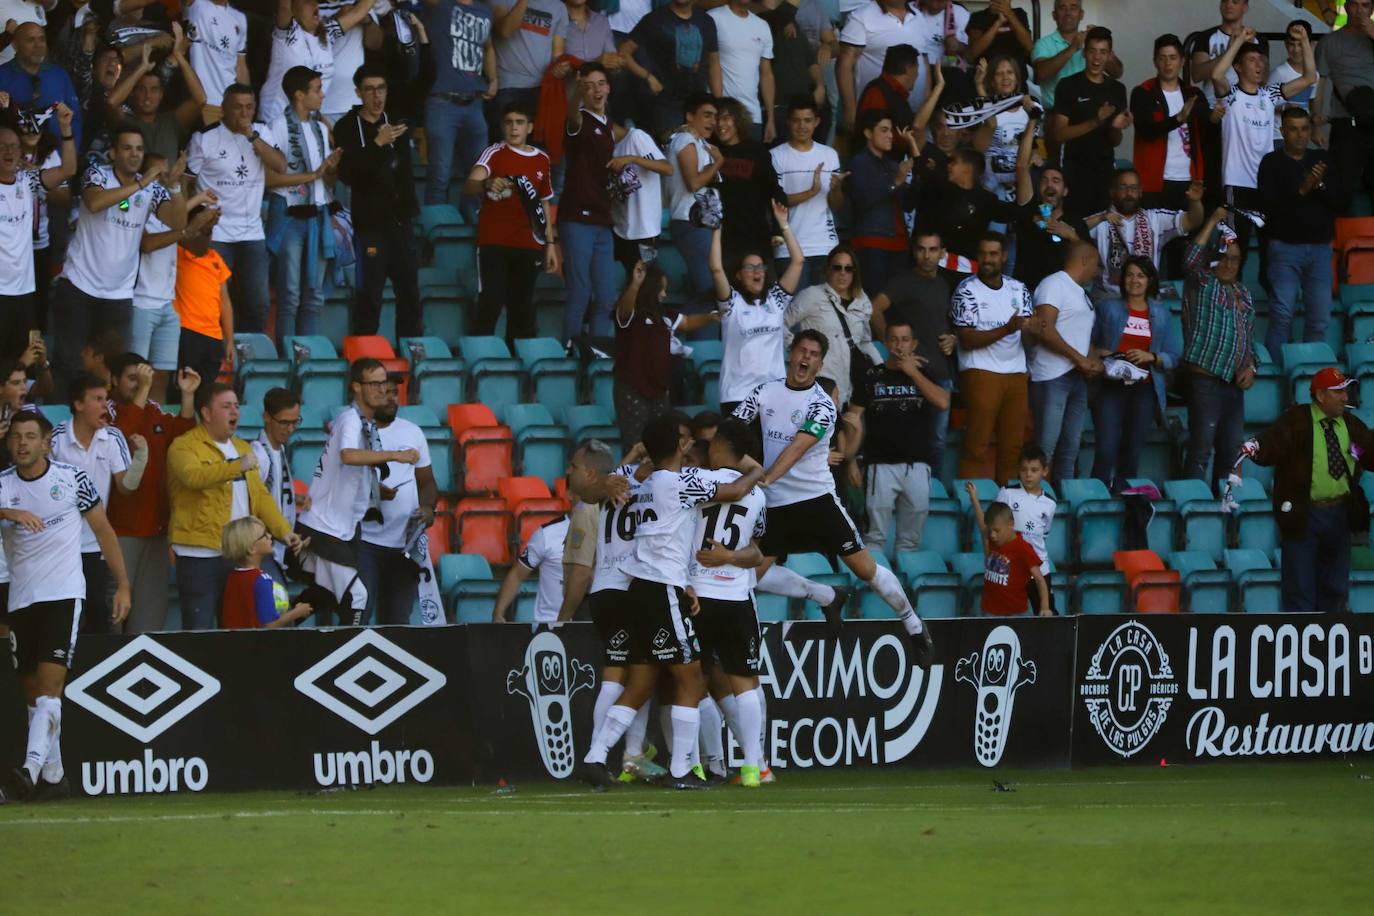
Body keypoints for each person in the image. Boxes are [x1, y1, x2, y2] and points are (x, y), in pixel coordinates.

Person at [577, 413, 763, 789]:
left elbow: (595, 490)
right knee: (692, 678)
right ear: (679, 446)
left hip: (641, 588)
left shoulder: (637, 481)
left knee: (643, 678)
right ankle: (681, 770)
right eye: (686, 441)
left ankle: (596, 757)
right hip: (661, 588)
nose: (692, 446)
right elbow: (735, 491)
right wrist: (758, 471)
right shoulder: (679, 484)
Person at [733, 331, 933, 661]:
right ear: (791, 354)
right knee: (749, 578)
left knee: (866, 570)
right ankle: (826, 596)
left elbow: (797, 448)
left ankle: (912, 624)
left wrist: (763, 476)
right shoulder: (763, 392)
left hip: (817, 502)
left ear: (819, 363)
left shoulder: (822, 404)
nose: (805, 358)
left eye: (813, 354)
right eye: (801, 351)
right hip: (776, 505)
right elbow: (733, 431)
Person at [0, 411, 129, 803]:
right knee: (32, 692)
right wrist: (9, 513)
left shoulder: (72, 479)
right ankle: (55, 777)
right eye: (16, 437)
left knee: (50, 688)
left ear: (45, 443)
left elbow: (104, 530)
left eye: (30, 436)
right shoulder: (4, 486)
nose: (22, 443)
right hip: (21, 597)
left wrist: (122, 584)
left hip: (64, 593)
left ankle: (30, 768)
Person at [557, 440, 664, 782]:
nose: (568, 472)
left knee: (617, 675)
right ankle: (613, 755)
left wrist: (629, 460)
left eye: (573, 467)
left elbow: (592, 490)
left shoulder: (609, 486)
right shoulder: (653, 486)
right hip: (632, 588)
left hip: (604, 591)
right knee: (643, 675)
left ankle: (611, 756)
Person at [53, 128, 186, 390]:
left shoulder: (151, 188)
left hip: (118, 294)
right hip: (79, 286)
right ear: (113, 152)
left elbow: (178, 222)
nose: (134, 153)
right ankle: (62, 424)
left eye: (138, 148)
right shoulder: (98, 174)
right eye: (126, 147)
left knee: (112, 369)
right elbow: (94, 203)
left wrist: (175, 186)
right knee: (69, 364)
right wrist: (139, 184)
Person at [296, 359, 420, 627]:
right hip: (324, 528)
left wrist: (376, 491)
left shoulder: (365, 424)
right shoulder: (350, 420)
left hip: (341, 531)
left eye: (384, 384)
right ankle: (350, 659)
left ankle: (274, 629)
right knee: (357, 598)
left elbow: (351, 471)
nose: (382, 390)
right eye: (374, 383)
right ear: (356, 387)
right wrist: (395, 455)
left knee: (325, 596)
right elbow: (349, 456)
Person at [168, 383, 300, 629]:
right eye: (226, 406)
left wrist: (284, 531)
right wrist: (235, 467)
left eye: (237, 406)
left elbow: (260, 497)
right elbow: (193, 477)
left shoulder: (242, 447)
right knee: (199, 631)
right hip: (200, 555)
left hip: (239, 554)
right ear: (206, 413)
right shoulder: (183, 446)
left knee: (242, 625)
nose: (235, 413)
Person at [1242, 368, 1374, 613]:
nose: (1346, 397)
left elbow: (1370, 450)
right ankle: (1302, 644)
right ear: (1321, 395)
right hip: (1304, 514)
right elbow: (1274, 440)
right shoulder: (1297, 420)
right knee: (1299, 588)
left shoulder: (1350, 424)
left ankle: (1331, 643)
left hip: (1340, 513)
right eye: (1338, 392)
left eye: (1345, 391)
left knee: (1336, 588)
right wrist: (1256, 446)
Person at [685, 418, 768, 787]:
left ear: (724, 447)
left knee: (689, 681)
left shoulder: (701, 483)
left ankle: (692, 766)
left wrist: (725, 557)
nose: (709, 446)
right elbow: (757, 551)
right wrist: (734, 557)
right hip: (736, 598)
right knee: (744, 682)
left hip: (698, 596)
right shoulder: (759, 494)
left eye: (715, 441)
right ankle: (753, 769)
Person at [49, 373, 145, 636]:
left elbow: (125, 487)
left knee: (96, 618)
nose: (106, 406)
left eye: (106, 399)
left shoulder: (112, 437)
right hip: (59, 546)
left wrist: (140, 461)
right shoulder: (55, 439)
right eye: (98, 399)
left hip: (96, 546)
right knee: (63, 620)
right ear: (79, 405)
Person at [108, 357, 199, 634]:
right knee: (112, 621)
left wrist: (187, 395)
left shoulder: (154, 410)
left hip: (156, 529)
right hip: (119, 530)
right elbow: (122, 435)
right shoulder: (107, 410)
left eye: (143, 378)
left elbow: (183, 436)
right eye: (132, 378)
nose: (139, 384)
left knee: (148, 623)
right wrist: (144, 389)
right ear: (114, 380)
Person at [184, 83, 284, 336]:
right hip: (216, 232)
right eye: (237, 107)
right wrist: (193, 218)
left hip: (252, 232)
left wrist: (252, 136)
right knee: (215, 299)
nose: (244, 113)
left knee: (258, 302)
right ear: (224, 110)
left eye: (249, 107)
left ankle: (248, 353)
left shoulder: (262, 132)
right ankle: (218, 354)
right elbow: (185, 181)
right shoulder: (204, 138)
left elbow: (281, 166)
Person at [1209, 24, 1315, 258]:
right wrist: (1238, 41)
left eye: (1261, 60)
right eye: (1252, 60)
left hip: (1267, 185)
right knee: (1235, 251)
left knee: (1271, 251)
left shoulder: (1270, 95)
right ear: (1238, 66)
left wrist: (1306, 40)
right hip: (1236, 185)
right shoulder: (1231, 96)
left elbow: (1309, 77)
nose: (1259, 65)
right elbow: (1216, 74)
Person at [850, 316, 950, 557]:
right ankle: (873, 590)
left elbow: (943, 402)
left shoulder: (925, 372)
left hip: (917, 465)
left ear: (913, 344)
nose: (899, 345)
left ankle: (905, 593)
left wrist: (913, 373)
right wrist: (851, 459)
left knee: (910, 541)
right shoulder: (872, 375)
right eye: (893, 339)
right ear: (885, 342)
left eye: (905, 340)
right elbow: (853, 418)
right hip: (880, 465)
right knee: (874, 537)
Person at [337, 64, 423, 339]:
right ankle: (365, 359)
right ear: (358, 92)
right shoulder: (347, 127)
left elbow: (424, 82)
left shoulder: (397, 119)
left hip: (401, 221)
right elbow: (348, 174)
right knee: (370, 295)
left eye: (381, 89)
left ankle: (410, 356)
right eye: (370, 89)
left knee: (410, 293)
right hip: (370, 225)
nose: (377, 96)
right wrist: (376, 144)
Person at [464, 101, 557, 343]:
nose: (514, 128)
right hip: (494, 242)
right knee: (490, 303)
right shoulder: (494, 152)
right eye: (509, 123)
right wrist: (486, 183)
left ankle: (518, 371)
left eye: (519, 122)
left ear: (530, 127)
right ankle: (479, 360)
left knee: (523, 310)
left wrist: (549, 243)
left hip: (529, 244)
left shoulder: (542, 159)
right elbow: (470, 184)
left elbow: (544, 203)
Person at [1089, 256, 1181, 493]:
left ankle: (1123, 501)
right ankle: (1095, 498)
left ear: (1150, 280)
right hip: (1111, 386)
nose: (1134, 280)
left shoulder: (1161, 314)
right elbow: (1088, 344)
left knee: (1132, 450)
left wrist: (1151, 357)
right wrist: (1102, 352)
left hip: (1144, 388)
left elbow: (1174, 355)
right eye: (1130, 274)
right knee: (1106, 448)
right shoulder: (1108, 308)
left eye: (1140, 275)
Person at [264, 65, 341, 346]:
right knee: (291, 295)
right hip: (290, 214)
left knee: (314, 295)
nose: (322, 95)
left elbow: (327, 182)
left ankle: (307, 356)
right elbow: (269, 178)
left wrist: (331, 168)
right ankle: (288, 358)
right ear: (299, 95)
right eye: (317, 89)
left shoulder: (321, 127)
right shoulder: (278, 126)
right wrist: (314, 174)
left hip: (318, 213)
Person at [1258, 107, 1339, 368]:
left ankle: (1309, 380)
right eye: (1293, 129)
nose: (1300, 134)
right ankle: (1280, 380)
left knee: (1319, 319)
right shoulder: (1271, 162)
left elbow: (1341, 201)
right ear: (1283, 131)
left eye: (1304, 128)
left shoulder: (1322, 159)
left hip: (1320, 250)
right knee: (1281, 316)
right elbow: (1268, 208)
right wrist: (1302, 189)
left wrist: (1320, 185)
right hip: (1284, 249)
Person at [1181, 206, 1257, 488]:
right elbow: (1190, 259)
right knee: (1200, 450)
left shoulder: (1245, 294)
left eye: (1234, 259)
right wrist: (1213, 220)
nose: (1228, 264)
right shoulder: (1203, 282)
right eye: (1222, 257)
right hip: (1205, 380)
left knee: (1230, 455)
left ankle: (1223, 515)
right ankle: (1191, 513)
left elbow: (1251, 344)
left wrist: (1251, 367)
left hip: (1233, 386)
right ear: (1213, 259)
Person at [870, 230, 958, 469]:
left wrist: (954, 338)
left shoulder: (945, 283)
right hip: (911, 372)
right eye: (921, 249)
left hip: (940, 372)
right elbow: (874, 309)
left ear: (942, 253)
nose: (926, 255)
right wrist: (892, 346)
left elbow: (949, 322)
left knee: (938, 442)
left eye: (932, 250)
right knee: (918, 439)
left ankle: (935, 495)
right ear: (914, 251)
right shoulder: (904, 281)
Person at [951, 232, 1034, 484]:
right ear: (978, 256)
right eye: (984, 253)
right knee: (977, 445)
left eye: (994, 254)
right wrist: (1007, 329)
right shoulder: (966, 290)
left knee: (1013, 448)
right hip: (980, 371)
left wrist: (1034, 331)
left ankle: (1006, 510)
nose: (988, 259)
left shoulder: (1018, 288)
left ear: (1004, 256)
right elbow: (966, 339)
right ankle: (970, 506)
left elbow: (1027, 334)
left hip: (1016, 373)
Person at [357, 378, 436, 625]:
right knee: (361, 612)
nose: (391, 398)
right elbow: (341, 485)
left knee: (398, 620)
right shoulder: (356, 431)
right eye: (385, 392)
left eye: (395, 392)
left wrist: (428, 508)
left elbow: (427, 482)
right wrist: (373, 492)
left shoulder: (412, 432)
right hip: (364, 542)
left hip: (404, 544)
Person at [710, 206, 803, 414]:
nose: (757, 272)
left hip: (775, 395)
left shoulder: (775, 301)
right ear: (738, 275)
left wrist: (784, 225)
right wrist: (716, 229)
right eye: (750, 268)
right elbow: (716, 269)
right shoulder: (732, 304)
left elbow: (798, 261)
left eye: (760, 267)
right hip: (737, 396)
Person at [133, 180, 219, 403]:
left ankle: (155, 427)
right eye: (160, 176)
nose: (165, 182)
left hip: (167, 305)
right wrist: (187, 227)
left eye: (170, 179)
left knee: (162, 376)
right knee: (135, 376)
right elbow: (147, 244)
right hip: (140, 301)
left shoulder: (173, 216)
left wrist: (205, 226)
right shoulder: (130, 205)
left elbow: (198, 249)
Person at [0, 106, 73, 361]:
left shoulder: (27, 181)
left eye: (13, 146)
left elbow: (68, 171)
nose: (8, 151)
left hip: (24, 292)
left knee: (24, 361)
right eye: (2, 146)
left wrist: (66, 131)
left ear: (21, 152)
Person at [1028, 241, 1103, 484]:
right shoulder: (1054, 284)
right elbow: (1045, 330)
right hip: (1051, 377)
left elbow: (1080, 335)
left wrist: (1091, 360)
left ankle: (1063, 507)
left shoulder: (1081, 292)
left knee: (1070, 449)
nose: (1097, 271)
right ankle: (1033, 503)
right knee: (1045, 448)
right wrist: (1079, 359)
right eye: (1096, 264)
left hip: (1077, 377)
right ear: (1085, 260)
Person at [420, 0, 496, 216]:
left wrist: (493, 77)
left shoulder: (484, 10)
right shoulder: (439, 4)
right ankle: (435, 230)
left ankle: (471, 225)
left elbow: (488, 45)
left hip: (474, 102)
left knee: (479, 172)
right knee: (440, 174)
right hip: (442, 101)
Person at [560, 63, 617, 345]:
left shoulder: (610, 126)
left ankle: (597, 352)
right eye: (590, 84)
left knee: (607, 296)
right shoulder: (580, 118)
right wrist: (576, 94)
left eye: (601, 83)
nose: (596, 89)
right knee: (580, 291)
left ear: (608, 87)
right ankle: (569, 353)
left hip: (603, 218)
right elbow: (571, 117)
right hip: (577, 217)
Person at [1085, 169, 1203, 302]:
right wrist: (1101, 218)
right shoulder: (1101, 220)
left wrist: (1195, 202)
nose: (1129, 193)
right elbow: (1073, 230)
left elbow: (1192, 221)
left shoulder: (1155, 219)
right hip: (1110, 299)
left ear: (1141, 192)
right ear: (1112, 192)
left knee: (1159, 317)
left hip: (1147, 299)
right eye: (1123, 187)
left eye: (1134, 188)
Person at [786, 244, 879, 409]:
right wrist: (797, 350)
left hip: (850, 388)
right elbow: (781, 323)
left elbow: (864, 342)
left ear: (854, 272)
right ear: (828, 270)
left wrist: (881, 370)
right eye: (837, 268)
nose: (843, 273)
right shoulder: (811, 295)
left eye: (848, 269)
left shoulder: (862, 300)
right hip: (817, 383)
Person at [1047, 26, 1127, 217]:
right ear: (1084, 53)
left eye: (1103, 52)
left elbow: (1115, 141)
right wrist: (1095, 121)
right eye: (1092, 51)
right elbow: (1059, 133)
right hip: (1074, 169)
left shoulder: (1117, 89)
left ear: (1110, 56)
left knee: (1102, 226)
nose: (1097, 58)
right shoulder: (1068, 86)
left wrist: (1116, 128)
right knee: (1075, 226)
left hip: (1105, 170)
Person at [259, 0, 378, 125]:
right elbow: (284, 7)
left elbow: (359, 11)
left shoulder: (327, 34)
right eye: (307, 1)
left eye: (315, 2)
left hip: (306, 123)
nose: (315, 5)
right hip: (275, 118)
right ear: (294, 9)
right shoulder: (288, 32)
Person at [618, 0, 721, 141]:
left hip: (699, 105)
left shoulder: (706, 21)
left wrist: (719, 103)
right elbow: (624, 51)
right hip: (666, 104)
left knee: (699, 157)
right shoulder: (655, 19)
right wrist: (648, 77)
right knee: (668, 156)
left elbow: (714, 62)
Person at [103, 28, 207, 164]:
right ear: (133, 93)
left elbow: (200, 100)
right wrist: (141, 69)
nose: (148, 96)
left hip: (168, 184)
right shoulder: (125, 122)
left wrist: (179, 56)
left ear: (161, 95)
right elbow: (111, 103)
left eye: (154, 90)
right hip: (133, 185)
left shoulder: (172, 122)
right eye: (142, 89)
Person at [846, 110, 920, 296]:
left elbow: (908, 204)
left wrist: (913, 147)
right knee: (874, 301)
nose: (890, 136)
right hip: (872, 243)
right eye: (884, 130)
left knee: (895, 304)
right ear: (868, 133)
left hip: (899, 243)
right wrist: (896, 181)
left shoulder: (892, 165)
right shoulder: (859, 163)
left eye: (891, 131)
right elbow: (864, 198)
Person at [771, 97, 843, 285]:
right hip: (789, 248)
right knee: (796, 311)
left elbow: (836, 204)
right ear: (788, 122)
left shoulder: (830, 155)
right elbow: (777, 202)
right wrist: (811, 192)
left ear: (817, 122)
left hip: (825, 245)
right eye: (796, 120)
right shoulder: (775, 156)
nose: (802, 126)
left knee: (823, 311)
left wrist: (836, 190)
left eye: (807, 120)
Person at [1130, 34, 1206, 211]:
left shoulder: (1193, 94)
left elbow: (1208, 130)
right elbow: (1146, 131)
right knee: (1153, 235)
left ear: (1182, 61)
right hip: (1153, 182)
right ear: (1155, 61)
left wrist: (1215, 115)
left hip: (1189, 180)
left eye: (1173, 58)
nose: (1168, 64)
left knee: (1186, 235)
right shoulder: (1143, 92)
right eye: (1162, 58)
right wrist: (1178, 119)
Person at [837, 0, 933, 135]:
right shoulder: (862, 16)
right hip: (876, 114)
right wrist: (850, 110)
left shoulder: (919, 17)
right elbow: (844, 64)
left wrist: (927, 102)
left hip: (915, 115)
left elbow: (925, 63)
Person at [665, 93, 725, 311]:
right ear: (690, 116)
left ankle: (699, 343)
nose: (712, 121)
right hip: (690, 222)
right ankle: (674, 335)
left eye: (715, 117)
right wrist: (718, 162)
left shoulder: (701, 143)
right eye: (707, 115)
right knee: (707, 288)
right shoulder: (685, 139)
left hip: (705, 224)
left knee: (710, 289)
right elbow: (693, 183)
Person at [1316, 0, 1374, 211]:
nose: (1360, 11)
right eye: (1355, 5)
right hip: (1345, 123)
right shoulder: (1329, 42)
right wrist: (1316, 124)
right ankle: (1340, 239)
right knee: (1341, 189)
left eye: (1365, 5)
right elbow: (1318, 85)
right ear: (1346, 7)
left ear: (1372, 9)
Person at [712, 97, 781, 263]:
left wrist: (777, 230)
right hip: (721, 236)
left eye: (726, 118)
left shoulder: (756, 151)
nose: (721, 124)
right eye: (716, 119)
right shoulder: (708, 150)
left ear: (738, 120)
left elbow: (773, 191)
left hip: (755, 234)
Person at [250, 387, 306, 586]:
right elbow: (254, 501)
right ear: (266, 417)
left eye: (295, 422)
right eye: (284, 422)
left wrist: (296, 498)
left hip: (279, 547)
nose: (290, 429)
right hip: (264, 549)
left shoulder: (279, 448)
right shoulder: (258, 455)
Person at [966, 488, 1051, 616]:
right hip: (989, 612)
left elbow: (1040, 580)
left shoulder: (1023, 548)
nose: (992, 535)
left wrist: (1044, 607)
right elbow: (981, 523)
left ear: (1011, 524)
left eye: (997, 530)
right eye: (990, 531)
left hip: (1016, 614)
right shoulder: (992, 538)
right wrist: (974, 499)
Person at [174, 207, 235, 388]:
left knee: (207, 391)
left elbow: (225, 301)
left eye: (210, 231)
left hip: (214, 337)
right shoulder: (178, 252)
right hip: (187, 331)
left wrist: (229, 339)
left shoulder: (215, 257)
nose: (207, 236)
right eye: (202, 229)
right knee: (184, 387)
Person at [219, 517, 314, 629]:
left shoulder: (232, 577)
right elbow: (269, 625)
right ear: (251, 548)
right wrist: (297, 612)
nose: (270, 536)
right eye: (264, 535)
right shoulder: (262, 580)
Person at [487, 0, 567, 132]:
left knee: (536, 148)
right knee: (506, 148)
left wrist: (562, 67)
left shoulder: (558, 6)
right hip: (507, 86)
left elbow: (557, 54)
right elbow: (505, 31)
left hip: (541, 89)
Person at [0, 23, 81, 146]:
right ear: (15, 45)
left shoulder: (59, 75)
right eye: (30, 40)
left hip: (56, 161)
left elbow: (75, 120)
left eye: (42, 39)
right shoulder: (2, 76)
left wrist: (69, 157)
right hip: (14, 159)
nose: (38, 45)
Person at [608, 118, 670, 273]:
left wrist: (632, 158)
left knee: (644, 284)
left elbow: (667, 168)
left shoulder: (636, 137)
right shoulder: (608, 147)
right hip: (620, 228)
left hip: (644, 231)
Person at [1013, 165, 1088, 292]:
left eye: (1056, 181)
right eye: (1044, 180)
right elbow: (1021, 168)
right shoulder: (1027, 217)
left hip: (1061, 293)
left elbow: (1088, 261)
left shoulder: (1075, 223)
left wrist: (1072, 236)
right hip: (1027, 291)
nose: (1049, 185)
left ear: (1065, 191)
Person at [708, 0, 775, 143]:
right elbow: (710, 65)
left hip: (752, 116)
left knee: (749, 164)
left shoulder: (762, 26)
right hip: (720, 115)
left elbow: (766, 74)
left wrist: (770, 119)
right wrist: (719, 109)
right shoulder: (714, 18)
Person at [994, 445, 1057, 593]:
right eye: (1024, 470)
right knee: (1011, 612)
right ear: (1018, 470)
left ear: (1045, 471)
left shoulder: (1050, 503)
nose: (1028, 474)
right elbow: (994, 524)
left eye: (1034, 470)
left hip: (1039, 566)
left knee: (1045, 610)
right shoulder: (1007, 493)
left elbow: (1045, 533)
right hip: (1011, 565)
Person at [491, 512, 569, 623]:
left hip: (593, 620)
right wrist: (498, 613)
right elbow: (517, 575)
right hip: (549, 624)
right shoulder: (547, 533)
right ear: (570, 494)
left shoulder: (601, 529)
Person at [184, 0, 251, 106]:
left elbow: (240, 65)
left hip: (230, 105)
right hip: (202, 101)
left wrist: (247, 102)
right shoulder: (196, 5)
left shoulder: (240, 18)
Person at [1269, 20, 1321, 143]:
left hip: (1300, 138)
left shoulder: (1315, 75)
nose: (1296, 50)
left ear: (1310, 45)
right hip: (1278, 136)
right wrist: (1284, 108)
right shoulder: (1279, 73)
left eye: (1301, 44)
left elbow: (1310, 105)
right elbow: (1261, 105)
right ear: (1286, 45)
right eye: (1292, 44)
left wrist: (1315, 123)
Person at [856, 42, 922, 134]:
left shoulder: (892, 93)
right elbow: (877, 135)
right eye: (917, 69)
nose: (918, 74)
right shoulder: (876, 93)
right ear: (909, 69)